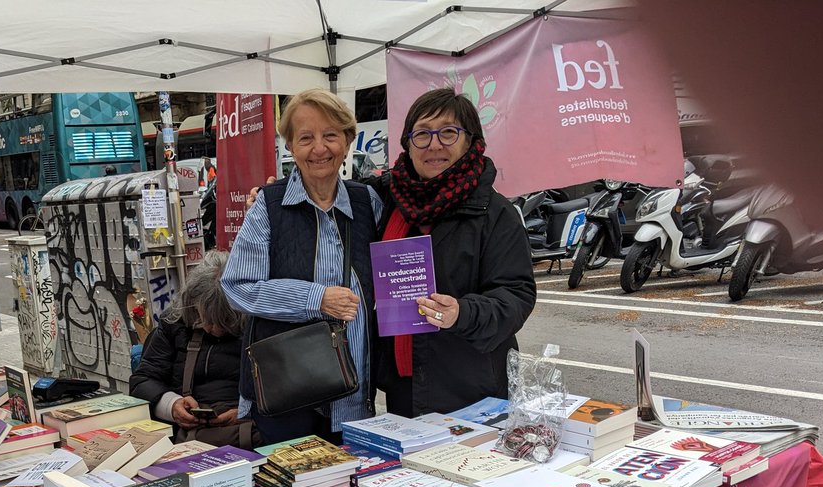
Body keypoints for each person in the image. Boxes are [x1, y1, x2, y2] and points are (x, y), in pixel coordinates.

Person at [222, 89, 384, 445]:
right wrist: (316, 299)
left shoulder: (367, 202)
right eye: (306, 138)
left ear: (347, 140)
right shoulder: (270, 205)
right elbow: (237, 286)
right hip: (287, 392)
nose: (319, 149)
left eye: (330, 135)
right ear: (290, 146)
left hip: (353, 395)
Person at [373, 88, 536, 417]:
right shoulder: (388, 202)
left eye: (448, 132)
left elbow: (516, 295)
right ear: (407, 144)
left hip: (473, 390)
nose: (434, 145)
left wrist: (463, 312)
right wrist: (271, 196)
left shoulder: (494, 212)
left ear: (471, 142)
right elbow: (330, 202)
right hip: (404, 389)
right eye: (422, 134)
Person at [128, 251, 255, 448]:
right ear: (192, 305)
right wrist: (172, 405)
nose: (216, 329)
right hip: (185, 438)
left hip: (248, 434)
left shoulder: (259, 325)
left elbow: (285, 391)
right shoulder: (176, 322)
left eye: (226, 320)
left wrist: (248, 411)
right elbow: (142, 381)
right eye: (208, 319)